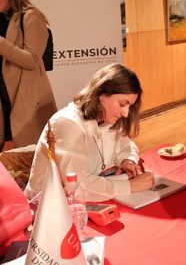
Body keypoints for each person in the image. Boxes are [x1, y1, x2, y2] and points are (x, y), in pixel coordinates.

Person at [24, 63, 154, 202]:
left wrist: (127, 160)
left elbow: (126, 146)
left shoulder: (107, 117)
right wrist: (131, 186)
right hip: (47, 207)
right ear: (101, 94)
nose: (126, 113)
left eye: (130, 106)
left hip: (77, 201)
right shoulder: (67, 123)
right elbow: (76, 186)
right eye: (122, 104)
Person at [0, 0, 56, 151]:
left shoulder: (30, 17)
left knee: (29, 158)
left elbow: (31, 60)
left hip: (23, 98)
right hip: (3, 98)